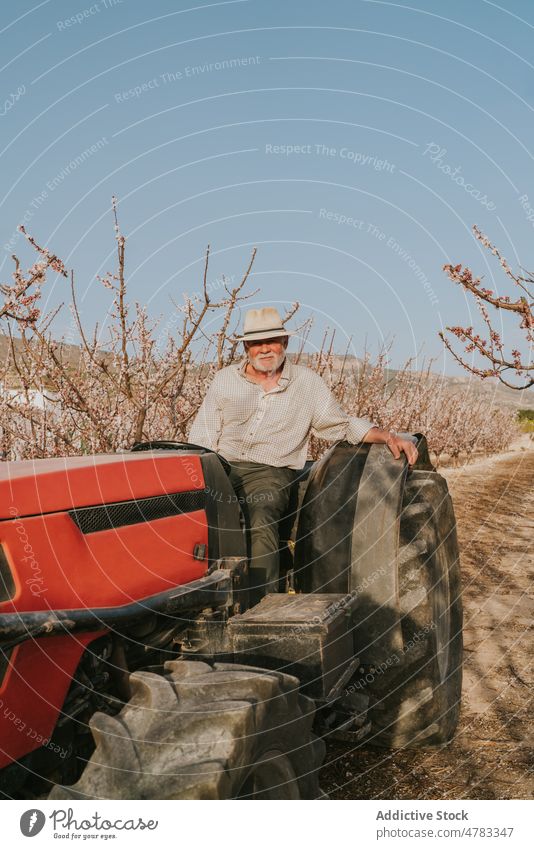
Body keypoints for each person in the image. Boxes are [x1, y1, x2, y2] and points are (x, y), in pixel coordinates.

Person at [189, 307, 418, 604]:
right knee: (187, 510)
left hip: (269, 470)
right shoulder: (224, 380)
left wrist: (386, 436)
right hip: (220, 464)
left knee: (261, 512)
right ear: (246, 347)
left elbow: (339, 422)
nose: (265, 349)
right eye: (257, 343)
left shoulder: (306, 383)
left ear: (284, 342)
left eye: (272, 341)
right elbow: (203, 434)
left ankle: (260, 605)